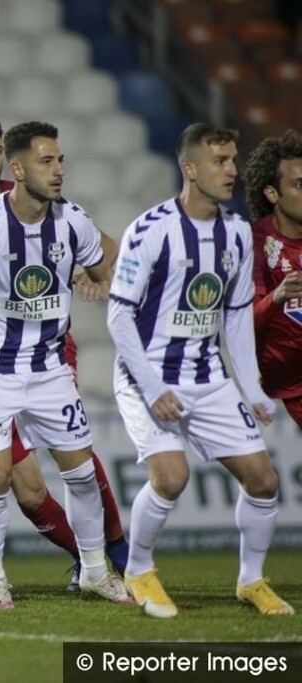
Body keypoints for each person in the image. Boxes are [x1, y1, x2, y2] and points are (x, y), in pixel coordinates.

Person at [0, 122, 131, 609]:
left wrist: (100, 280)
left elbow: (108, 265)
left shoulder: (73, 221)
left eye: (60, 161)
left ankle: (96, 571)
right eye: (46, 162)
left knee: (80, 472)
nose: (58, 171)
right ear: (17, 170)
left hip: (48, 365)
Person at [108, 122, 294, 617]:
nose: (232, 170)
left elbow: (234, 315)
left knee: (263, 480)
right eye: (220, 161)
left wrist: (251, 388)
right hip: (146, 374)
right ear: (190, 169)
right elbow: (118, 315)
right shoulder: (149, 230)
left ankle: (251, 581)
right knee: (170, 477)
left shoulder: (236, 233)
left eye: (233, 159)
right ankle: (140, 570)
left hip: (207, 376)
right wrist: (151, 389)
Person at [243, 129, 302, 427]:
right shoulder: (253, 245)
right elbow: (240, 323)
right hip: (289, 385)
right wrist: (277, 297)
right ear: (272, 193)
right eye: (299, 184)